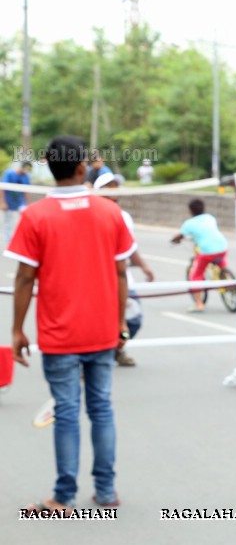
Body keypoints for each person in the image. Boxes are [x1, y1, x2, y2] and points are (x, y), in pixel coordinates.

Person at [6, 135, 135, 515]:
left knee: (65, 411)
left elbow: (24, 279)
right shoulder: (109, 212)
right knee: (102, 408)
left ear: (49, 165)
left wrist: (17, 329)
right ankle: (107, 491)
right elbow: (121, 274)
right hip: (101, 332)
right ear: (83, 168)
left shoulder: (35, 216)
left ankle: (62, 497)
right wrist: (119, 326)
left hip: (59, 334)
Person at [94, 173, 155, 366]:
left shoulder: (124, 216)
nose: (113, 189)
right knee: (97, 321)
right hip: (98, 278)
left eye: (115, 185)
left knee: (133, 319)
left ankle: (116, 349)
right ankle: (92, 357)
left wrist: (144, 267)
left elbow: (129, 247)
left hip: (122, 277)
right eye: (108, 186)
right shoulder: (90, 213)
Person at [170, 198, 229, 313]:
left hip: (207, 251)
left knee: (195, 276)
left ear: (190, 210)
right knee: (220, 260)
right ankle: (226, 276)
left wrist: (174, 240)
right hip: (223, 246)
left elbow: (180, 235)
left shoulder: (189, 223)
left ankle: (199, 304)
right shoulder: (210, 217)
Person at [1, 160, 32, 248]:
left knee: (26, 218)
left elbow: (27, 191)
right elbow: (2, 188)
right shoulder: (9, 174)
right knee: (8, 222)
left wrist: (27, 204)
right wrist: (3, 202)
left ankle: (25, 240)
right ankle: (9, 243)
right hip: (9, 202)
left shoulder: (26, 176)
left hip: (20, 202)